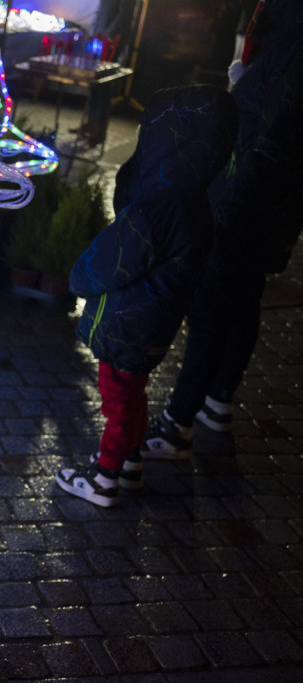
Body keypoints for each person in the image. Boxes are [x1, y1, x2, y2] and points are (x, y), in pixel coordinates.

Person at [55, 84, 239, 507]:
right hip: (154, 326)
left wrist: (77, 279)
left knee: (117, 403)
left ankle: (103, 478)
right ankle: (130, 462)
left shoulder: (158, 206)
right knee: (134, 396)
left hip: (126, 326)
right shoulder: (196, 203)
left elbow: (107, 261)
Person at [140, 0, 303, 459]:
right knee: (243, 295)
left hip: (251, 194)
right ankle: (217, 402)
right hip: (271, 197)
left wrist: (229, 196)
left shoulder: (292, 35)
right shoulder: (285, 30)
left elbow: (273, 129)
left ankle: (177, 425)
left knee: (212, 302)